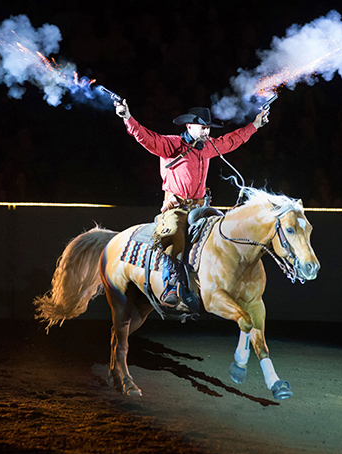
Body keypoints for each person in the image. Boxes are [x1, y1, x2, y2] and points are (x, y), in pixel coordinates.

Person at [114, 99, 269, 306]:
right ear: (189, 126)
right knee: (173, 233)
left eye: (207, 128)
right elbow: (147, 138)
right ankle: (170, 284)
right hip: (176, 208)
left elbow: (232, 140)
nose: (206, 132)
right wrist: (128, 118)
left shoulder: (208, 147)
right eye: (203, 128)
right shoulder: (172, 144)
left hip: (201, 207)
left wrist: (255, 125)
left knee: (223, 229)